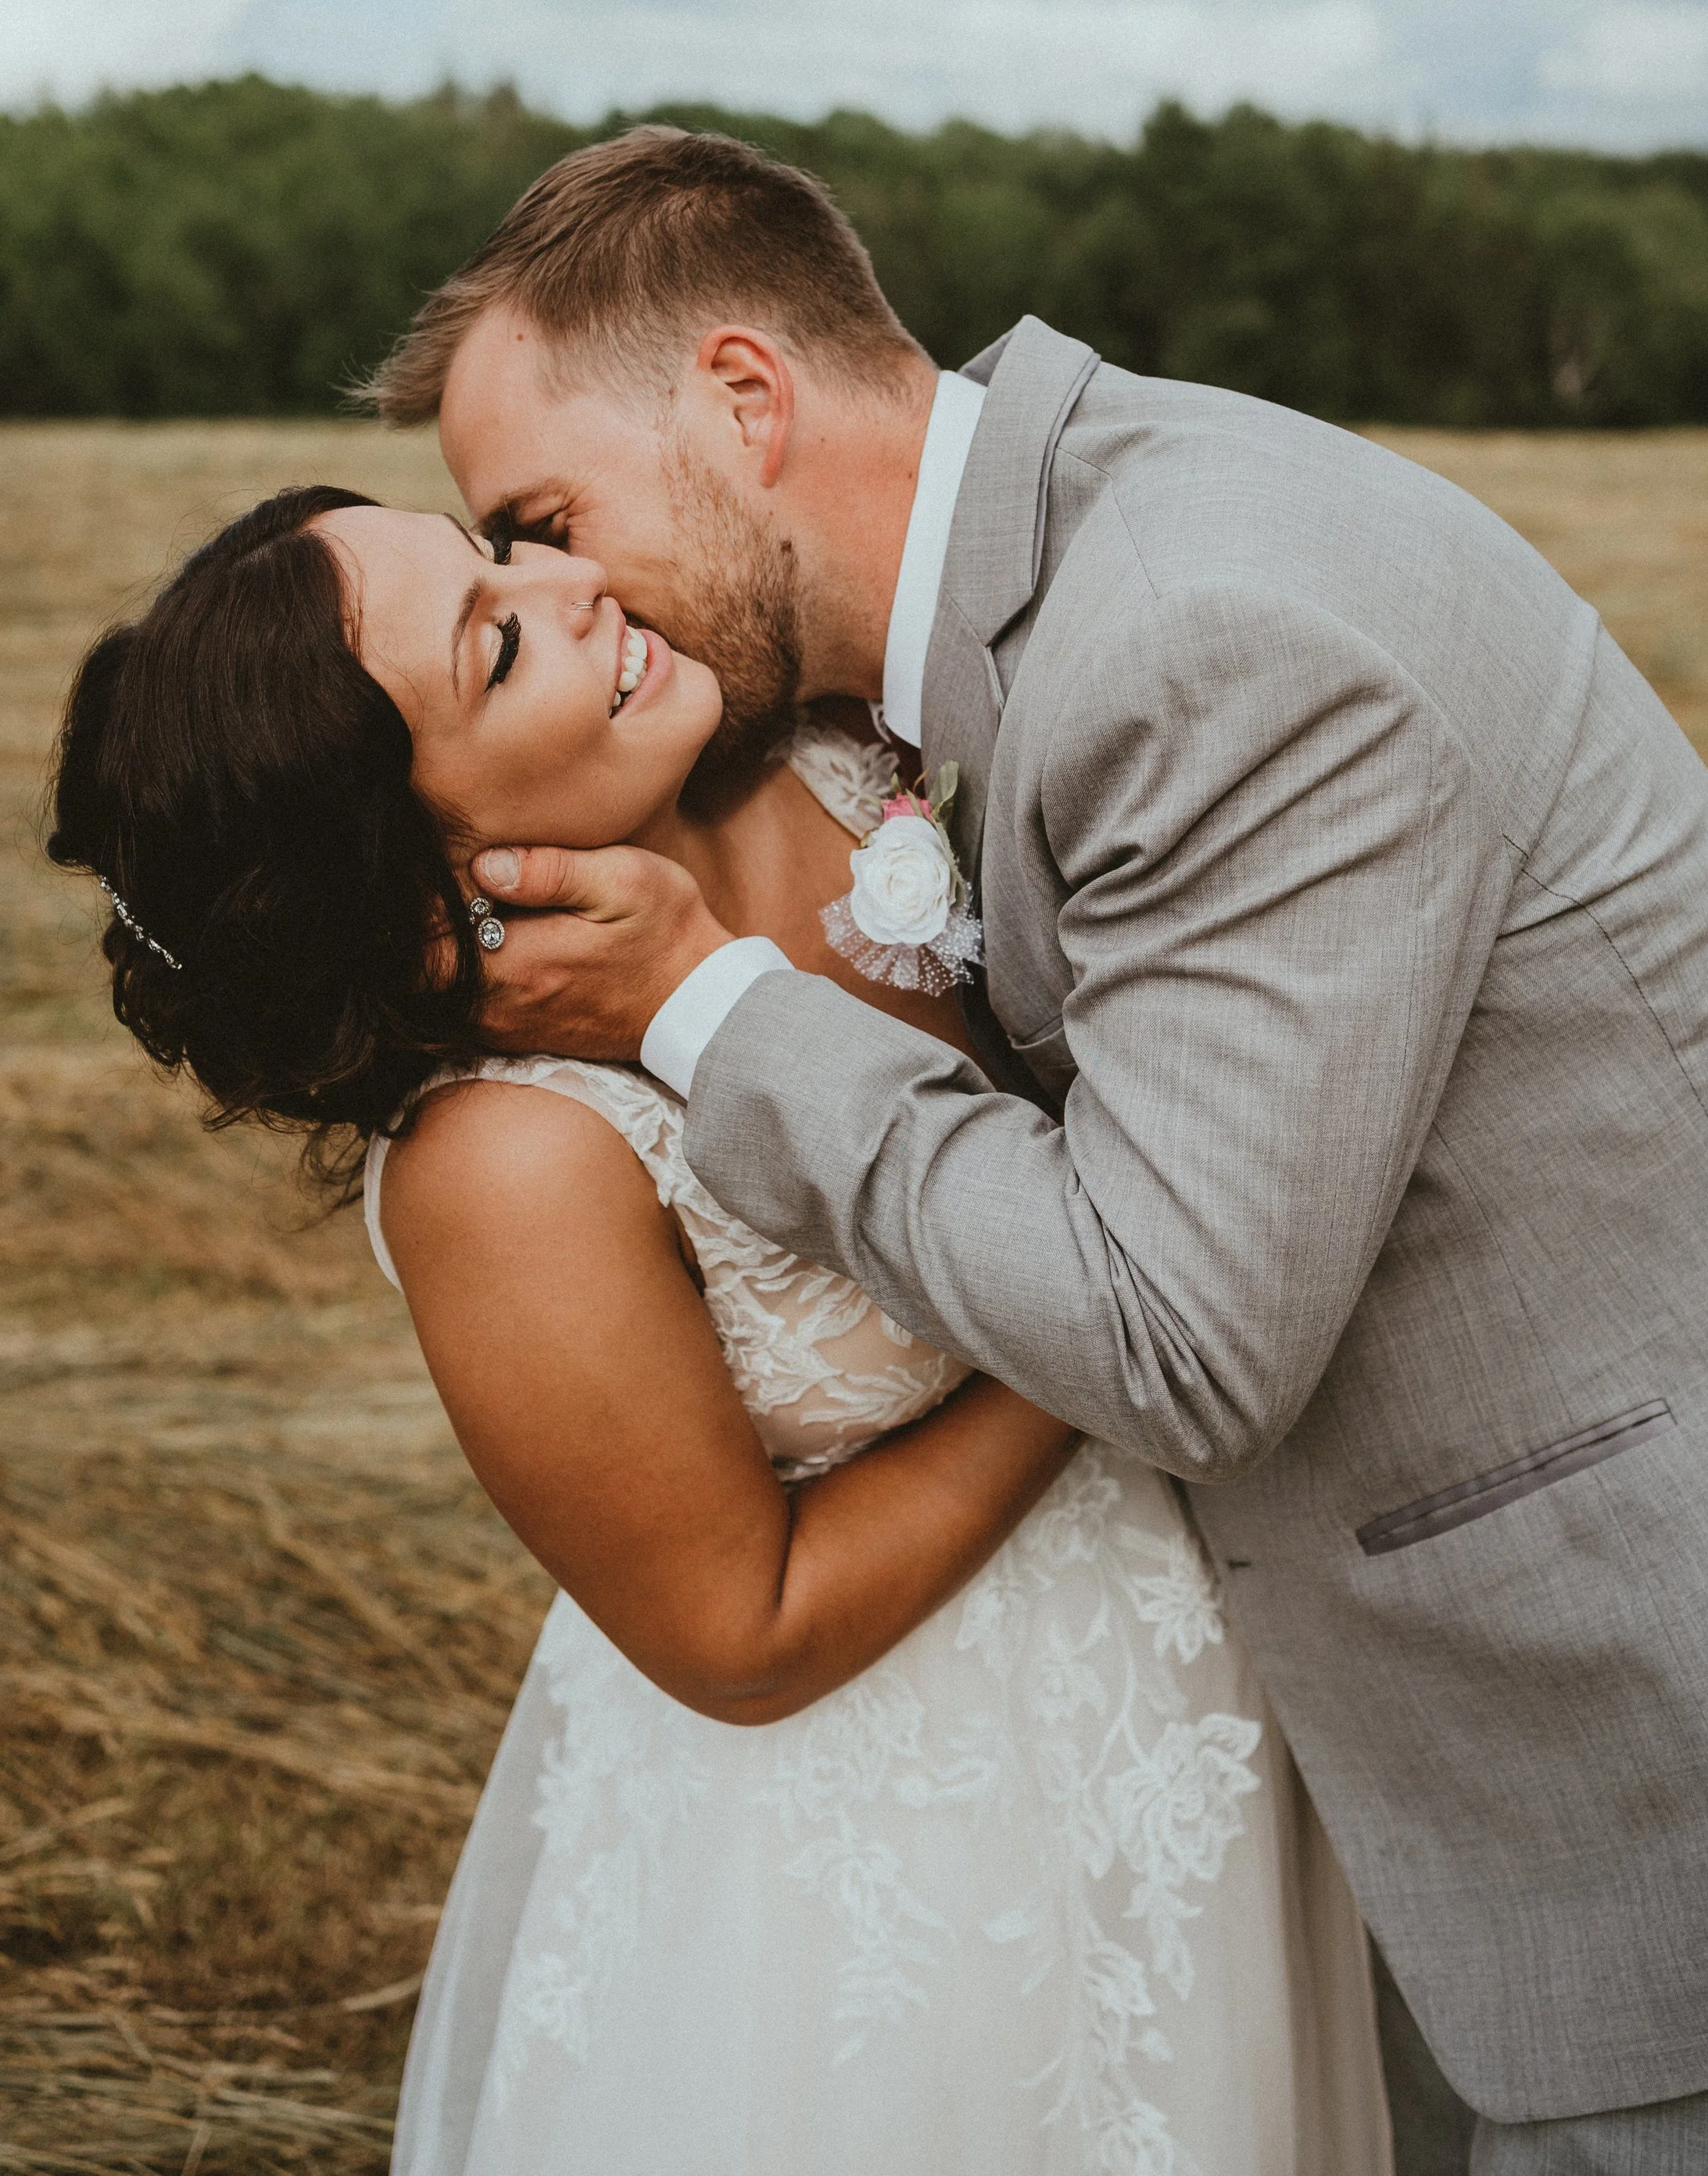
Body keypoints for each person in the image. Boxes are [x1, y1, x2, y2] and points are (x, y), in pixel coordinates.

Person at [362, 121, 1708, 2175]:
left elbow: (1182, 1339)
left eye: (546, 515)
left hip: (1687, 1770)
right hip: (1487, 1738)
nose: (561, 593)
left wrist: (700, 1007)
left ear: (742, 399)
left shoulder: (1197, 628)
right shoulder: (1036, 582)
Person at [48, 486, 1392, 2176]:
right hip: (909, 1844)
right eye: (501, 638)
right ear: (425, 886)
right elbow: (739, 1630)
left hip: (1197, 1690)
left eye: (497, 548)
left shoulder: (827, 757)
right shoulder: (511, 1164)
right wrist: (1129, 1292)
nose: (569, 579)